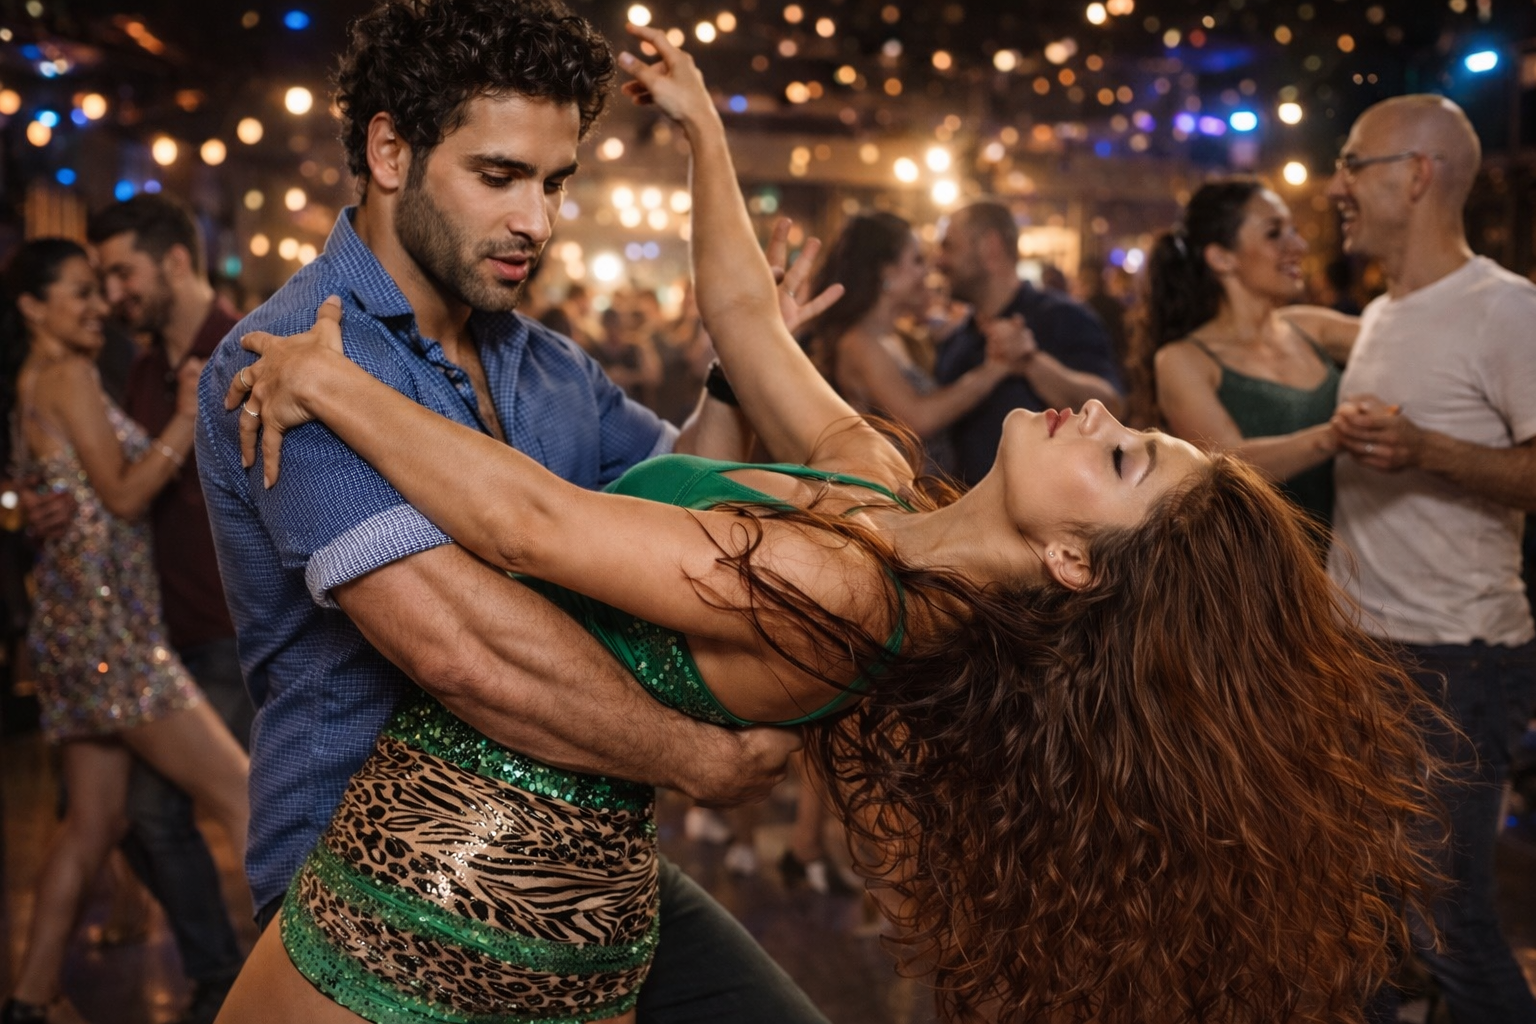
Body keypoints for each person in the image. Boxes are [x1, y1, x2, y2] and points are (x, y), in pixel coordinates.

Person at [216, 29, 1446, 1024]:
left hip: (461, 886)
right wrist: (703, 133)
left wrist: (331, 387)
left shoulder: (843, 588)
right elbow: (749, 325)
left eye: (1124, 459)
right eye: (510, 178)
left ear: (1073, 560)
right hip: (471, 861)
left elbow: (533, 531)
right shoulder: (875, 500)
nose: (1097, 412)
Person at [193, 3, 812, 1024]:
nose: (540, 219)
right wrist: (698, 757)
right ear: (390, 151)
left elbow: (671, 530)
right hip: (380, 893)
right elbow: (461, 651)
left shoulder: (546, 360)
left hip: (577, 860)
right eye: (499, 177)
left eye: (555, 181)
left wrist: (742, 363)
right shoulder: (293, 358)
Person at [1323, 94, 1536, 1024]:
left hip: (1456, 658)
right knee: (1358, 916)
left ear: (1416, 174)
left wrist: (1426, 452)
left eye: (1352, 163)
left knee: (1448, 925)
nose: (1336, 185)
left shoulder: (1506, 309)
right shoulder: (1379, 312)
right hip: (1362, 655)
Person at [0, 240, 251, 1024]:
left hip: (78, 630)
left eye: (98, 288)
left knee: (94, 824)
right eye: (77, 292)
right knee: (245, 793)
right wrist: (183, 420)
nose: (96, 305)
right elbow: (123, 495)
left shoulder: (35, 382)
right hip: (114, 634)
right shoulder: (68, 375)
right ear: (32, 307)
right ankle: (299, 994)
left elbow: (57, 492)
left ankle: (29, 999)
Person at [87, 193, 255, 1021]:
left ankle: (244, 979)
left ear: (176, 262)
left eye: (123, 271)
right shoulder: (147, 364)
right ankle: (231, 971)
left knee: (169, 811)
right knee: (124, 817)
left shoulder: (243, 348)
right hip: (166, 632)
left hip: (233, 629)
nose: (112, 291)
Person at [1147, 179, 1359, 533]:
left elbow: (1397, 338)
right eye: (1275, 233)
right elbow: (1228, 464)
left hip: (1352, 565)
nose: (1299, 245)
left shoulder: (1311, 327)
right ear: (1221, 257)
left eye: (1294, 231)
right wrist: (1335, 437)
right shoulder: (1183, 359)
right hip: (1269, 575)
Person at [801, 211, 1034, 476]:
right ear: (885, 273)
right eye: (917, 260)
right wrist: (997, 367)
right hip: (902, 504)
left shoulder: (896, 337)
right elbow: (918, 418)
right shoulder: (858, 343)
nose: (928, 270)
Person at [933, 199, 1125, 485]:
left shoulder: (1062, 317)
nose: (939, 261)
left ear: (990, 248)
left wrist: (1030, 362)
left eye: (949, 246)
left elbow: (1113, 408)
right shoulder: (959, 339)